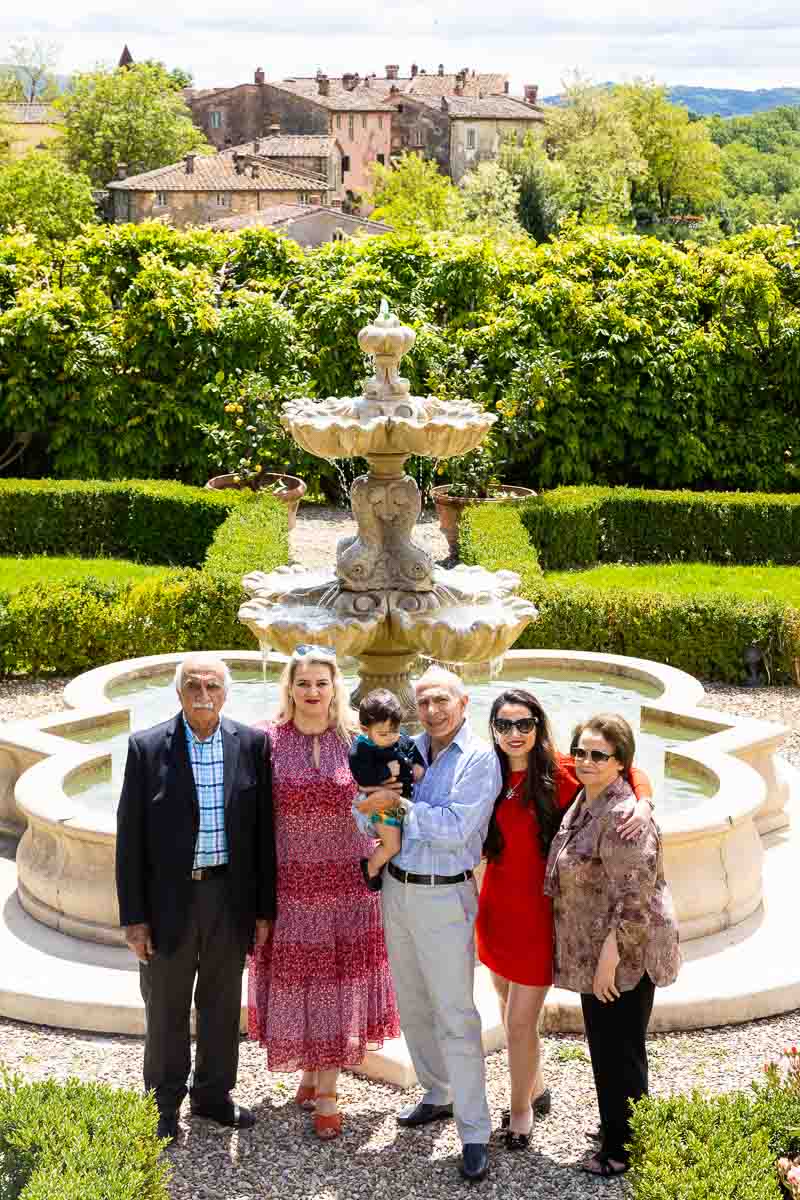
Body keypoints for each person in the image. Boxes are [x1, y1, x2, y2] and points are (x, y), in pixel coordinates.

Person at [476, 688, 655, 1151]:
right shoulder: (486, 770)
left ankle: (520, 1113)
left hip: (540, 914)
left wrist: (644, 803)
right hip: (496, 907)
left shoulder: (561, 770)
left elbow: (629, 769)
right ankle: (535, 1088)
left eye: (524, 724)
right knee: (502, 998)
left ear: (538, 725)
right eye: (504, 725)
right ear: (492, 729)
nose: (514, 734)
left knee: (518, 1022)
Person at [115, 652, 276, 1147]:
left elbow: (263, 835)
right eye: (193, 686)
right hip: (169, 900)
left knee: (222, 1002)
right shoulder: (146, 748)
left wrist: (264, 909)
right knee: (165, 1005)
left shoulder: (250, 744)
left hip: (229, 896)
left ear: (226, 692)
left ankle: (212, 1096)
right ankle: (163, 1105)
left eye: (212, 686)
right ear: (179, 692)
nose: (203, 695)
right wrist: (135, 919)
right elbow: (130, 839)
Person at [248, 644, 400, 1141]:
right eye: (303, 682)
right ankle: (313, 1073)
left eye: (321, 682)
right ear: (289, 687)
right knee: (305, 980)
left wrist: (380, 853)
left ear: (336, 687)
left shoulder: (357, 741)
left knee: (337, 983)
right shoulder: (267, 741)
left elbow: (391, 801)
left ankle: (329, 1090)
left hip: (347, 886)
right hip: (292, 884)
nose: (313, 691)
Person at [356, 666, 499, 1183]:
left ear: (463, 702)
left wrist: (399, 804)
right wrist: (370, 809)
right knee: (412, 1003)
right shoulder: (409, 748)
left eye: (442, 699)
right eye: (425, 701)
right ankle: (437, 1094)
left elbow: (457, 828)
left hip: (444, 896)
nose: (433, 709)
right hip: (397, 889)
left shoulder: (480, 759)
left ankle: (474, 1131)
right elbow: (365, 807)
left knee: (455, 1013)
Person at [543, 713, 681, 1178]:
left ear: (621, 762)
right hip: (598, 947)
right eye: (580, 752)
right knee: (611, 1046)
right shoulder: (588, 797)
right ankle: (621, 1128)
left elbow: (636, 901)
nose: (585, 761)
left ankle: (621, 1150)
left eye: (598, 755)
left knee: (618, 1050)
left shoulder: (624, 817)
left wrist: (611, 959)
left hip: (623, 952)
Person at [349, 687, 426, 892]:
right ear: (366, 729)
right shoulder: (362, 748)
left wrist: (418, 765)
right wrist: (384, 771)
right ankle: (371, 867)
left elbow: (411, 749)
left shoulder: (398, 735)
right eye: (383, 734)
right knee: (393, 846)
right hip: (381, 804)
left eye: (395, 730)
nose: (391, 737)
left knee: (401, 839)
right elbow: (361, 776)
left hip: (399, 801)